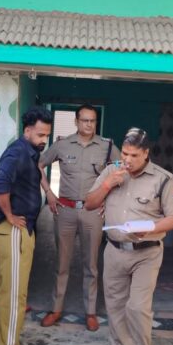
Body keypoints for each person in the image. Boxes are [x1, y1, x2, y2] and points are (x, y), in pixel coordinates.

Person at [85, 127, 173, 345]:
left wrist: (150, 227)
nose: (127, 160)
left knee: (138, 309)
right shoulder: (111, 171)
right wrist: (107, 184)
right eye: (125, 154)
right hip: (115, 250)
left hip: (146, 254)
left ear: (146, 153)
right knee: (115, 307)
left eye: (134, 155)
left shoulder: (162, 179)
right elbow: (89, 203)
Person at [39, 104, 120, 331]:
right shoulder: (62, 145)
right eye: (84, 120)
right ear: (76, 122)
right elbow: (38, 165)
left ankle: (90, 312)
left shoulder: (107, 147)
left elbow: (122, 172)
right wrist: (48, 192)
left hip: (92, 212)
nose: (89, 124)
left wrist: (108, 201)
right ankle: (56, 309)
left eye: (92, 120)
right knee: (62, 263)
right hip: (64, 210)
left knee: (91, 265)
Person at [0, 106, 52, 345]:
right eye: (40, 134)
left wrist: (49, 193)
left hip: (21, 230)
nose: (44, 139)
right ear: (27, 131)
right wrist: (10, 215)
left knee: (8, 291)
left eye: (47, 135)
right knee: (15, 295)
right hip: (14, 230)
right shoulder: (17, 152)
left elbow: (36, 173)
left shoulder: (29, 152)